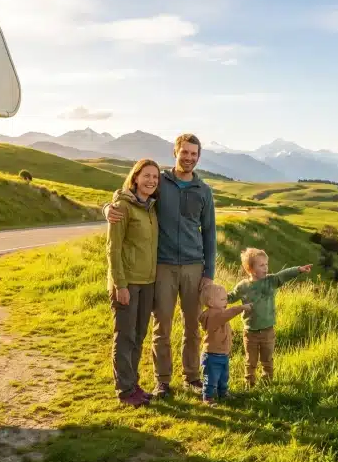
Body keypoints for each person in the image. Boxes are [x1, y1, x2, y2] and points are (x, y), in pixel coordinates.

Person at [104, 133, 216, 398]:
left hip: (194, 267)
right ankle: (162, 381)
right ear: (175, 152)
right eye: (184, 152)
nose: (189, 158)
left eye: (193, 154)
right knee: (161, 326)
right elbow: (129, 194)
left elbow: (209, 233)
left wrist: (208, 273)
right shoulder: (160, 182)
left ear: (198, 157)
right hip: (162, 267)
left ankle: (191, 377)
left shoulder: (204, 191)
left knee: (192, 326)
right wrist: (107, 207)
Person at [107, 159, 160, 407]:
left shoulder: (150, 208)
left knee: (138, 336)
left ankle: (133, 383)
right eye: (147, 176)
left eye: (155, 177)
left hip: (147, 282)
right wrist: (120, 285)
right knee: (125, 337)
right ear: (135, 177)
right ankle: (125, 390)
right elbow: (113, 249)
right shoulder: (122, 207)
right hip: (127, 282)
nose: (151, 181)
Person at [228, 248, 312, 387]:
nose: (266, 267)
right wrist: (216, 297)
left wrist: (299, 269)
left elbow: (284, 274)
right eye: (261, 265)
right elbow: (230, 297)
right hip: (250, 332)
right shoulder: (243, 286)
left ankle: (267, 381)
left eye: (266, 264)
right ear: (250, 268)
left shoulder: (271, 281)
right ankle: (249, 383)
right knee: (251, 360)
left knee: (267, 359)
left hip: (268, 331)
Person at [198, 284, 251, 406]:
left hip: (223, 353)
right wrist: (241, 307)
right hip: (212, 355)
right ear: (211, 302)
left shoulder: (219, 313)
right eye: (222, 299)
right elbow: (227, 314)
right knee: (211, 378)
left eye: (225, 298)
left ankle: (223, 392)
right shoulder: (212, 315)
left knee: (223, 376)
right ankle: (208, 397)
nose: (226, 301)